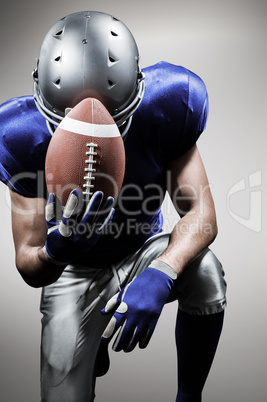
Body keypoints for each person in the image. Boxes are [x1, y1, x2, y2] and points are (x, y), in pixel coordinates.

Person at [0, 10, 227, 402]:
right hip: (74, 273)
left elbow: (202, 216)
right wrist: (56, 252)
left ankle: (189, 398)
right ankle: (92, 333)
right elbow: (28, 262)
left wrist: (163, 270)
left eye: (110, 124)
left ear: (137, 96)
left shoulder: (167, 104)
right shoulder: (21, 135)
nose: (93, 141)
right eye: (76, 129)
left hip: (142, 249)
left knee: (205, 270)